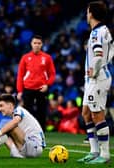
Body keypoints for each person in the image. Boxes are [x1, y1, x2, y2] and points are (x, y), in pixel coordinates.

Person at [77, 1, 113, 164]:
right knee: (86, 113)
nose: (86, 15)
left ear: (91, 14)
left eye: (87, 12)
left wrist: (95, 69)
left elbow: (98, 55)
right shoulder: (103, 31)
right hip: (93, 79)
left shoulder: (96, 33)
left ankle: (104, 155)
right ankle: (94, 151)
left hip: (98, 78)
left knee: (97, 114)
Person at [17, 35, 56, 132]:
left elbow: (52, 74)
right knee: (27, 111)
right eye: (35, 43)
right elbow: (20, 75)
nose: (37, 45)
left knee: (42, 111)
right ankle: (27, 130)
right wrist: (19, 91)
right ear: (31, 44)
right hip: (28, 88)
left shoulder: (47, 58)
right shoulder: (25, 57)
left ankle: (41, 131)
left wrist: (47, 85)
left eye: (39, 43)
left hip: (41, 89)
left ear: (42, 44)